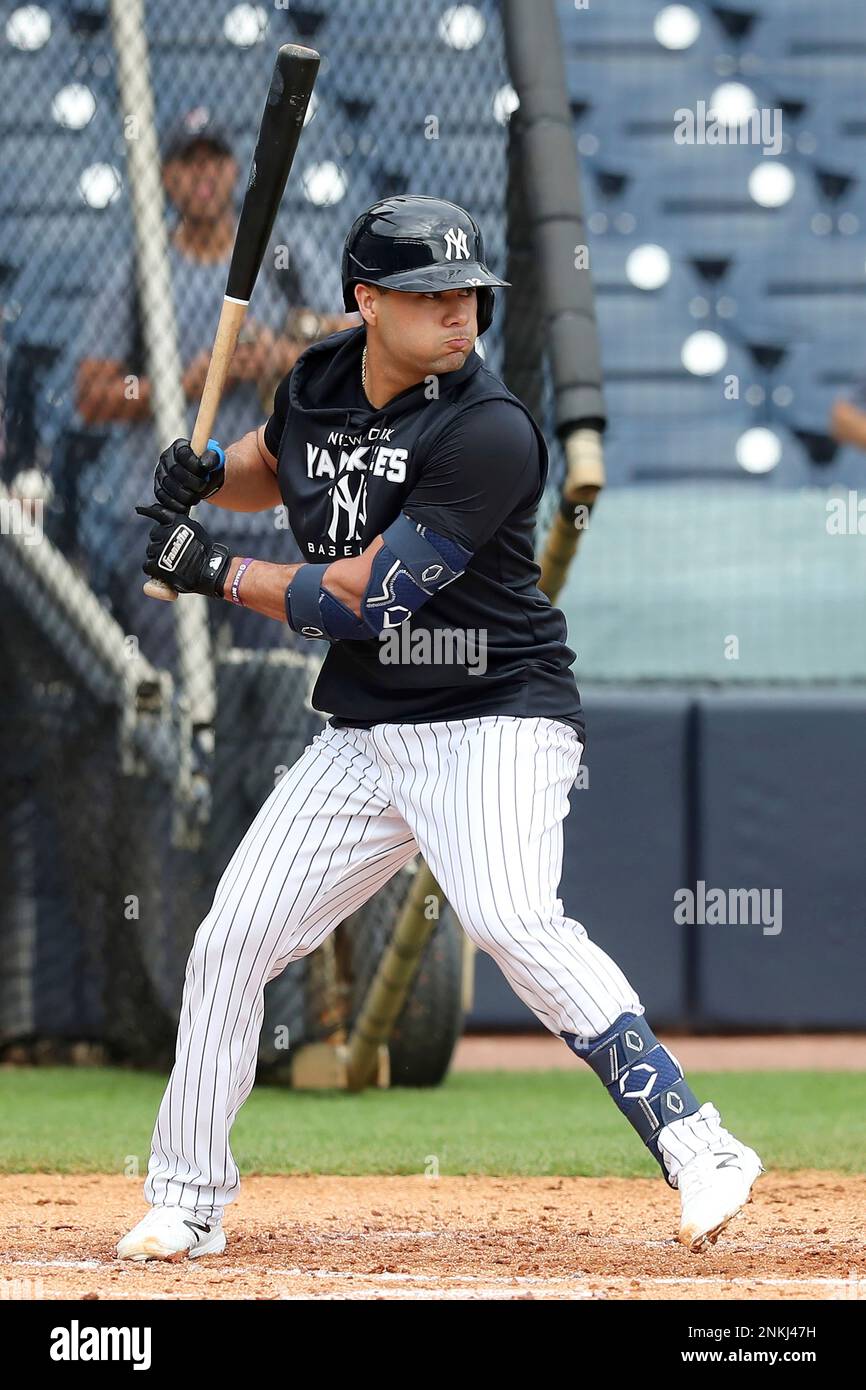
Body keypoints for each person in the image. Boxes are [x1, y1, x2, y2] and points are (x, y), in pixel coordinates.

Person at [117, 195, 763, 1262]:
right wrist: (205, 477)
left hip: (495, 716)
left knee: (512, 918)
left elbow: (367, 601)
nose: (459, 315)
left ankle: (699, 1145)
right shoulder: (319, 377)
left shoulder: (488, 429)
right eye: (430, 297)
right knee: (229, 942)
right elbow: (277, 465)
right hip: (368, 735)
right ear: (367, 301)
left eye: (468, 296)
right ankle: (187, 1197)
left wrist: (216, 571)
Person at [75, 105, 352, 657]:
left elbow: (351, 338)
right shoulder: (142, 269)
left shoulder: (281, 256)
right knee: (169, 688)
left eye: (214, 160)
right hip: (163, 510)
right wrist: (179, 385)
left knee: (273, 682)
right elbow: (91, 393)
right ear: (166, 177)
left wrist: (283, 354)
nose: (202, 175)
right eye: (187, 161)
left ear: (233, 171)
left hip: (269, 513)